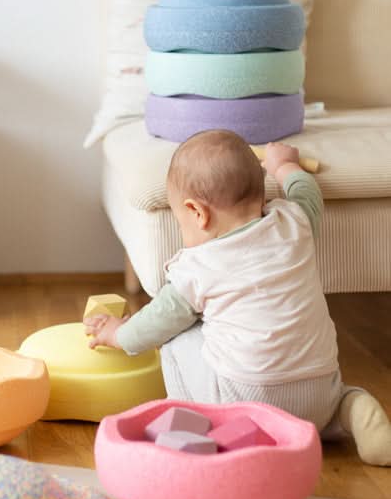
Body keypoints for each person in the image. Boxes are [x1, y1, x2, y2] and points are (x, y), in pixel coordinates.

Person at [84, 129, 391, 466]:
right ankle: (353, 413)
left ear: (197, 212)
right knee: (342, 397)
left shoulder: (198, 266)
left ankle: (197, 427)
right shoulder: (295, 222)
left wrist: (117, 333)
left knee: (174, 337)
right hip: (319, 396)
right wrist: (284, 166)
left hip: (245, 404)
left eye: (181, 222)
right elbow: (307, 193)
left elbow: (156, 322)